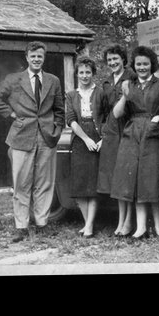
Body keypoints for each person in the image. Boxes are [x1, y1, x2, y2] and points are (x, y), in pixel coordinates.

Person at [0, 40, 65, 242]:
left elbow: (60, 110)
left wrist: (56, 128)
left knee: (44, 182)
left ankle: (42, 223)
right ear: (27, 57)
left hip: (47, 137)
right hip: (21, 136)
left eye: (40, 56)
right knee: (22, 182)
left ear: (43, 58)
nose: (36, 59)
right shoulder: (14, 79)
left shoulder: (53, 80)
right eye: (33, 56)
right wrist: (10, 113)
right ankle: (21, 226)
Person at [110, 46, 159, 239]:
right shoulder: (129, 84)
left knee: (151, 179)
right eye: (139, 64)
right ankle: (140, 227)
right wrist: (123, 94)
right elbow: (117, 114)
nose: (142, 67)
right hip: (132, 134)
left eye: (146, 64)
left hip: (153, 134)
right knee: (134, 180)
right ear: (134, 65)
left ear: (152, 65)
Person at [65, 56, 108, 238]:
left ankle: (89, 226)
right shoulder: (71, 95)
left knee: (92, 186)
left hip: (98, 138)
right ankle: (87, 223)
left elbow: (107, 118)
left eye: (88, 72)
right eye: (81, 72)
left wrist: (102, 139)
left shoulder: (100, 93)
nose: (84, 75)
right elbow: (71, 120)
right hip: (80, 140)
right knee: (80, 186)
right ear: (77, 74)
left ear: (93, 74)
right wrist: (85, 139)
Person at [97, 44, 136, 236]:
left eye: (116, 59)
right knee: (117, 179)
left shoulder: (132, 78)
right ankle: (121, 221)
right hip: (112, 134)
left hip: (128, 130)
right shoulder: (106, 83)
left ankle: (129, 221)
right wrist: (103, 131)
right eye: (110, 60)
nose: (113, 63)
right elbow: (103, 112)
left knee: (127, 177)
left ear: (123, 60)